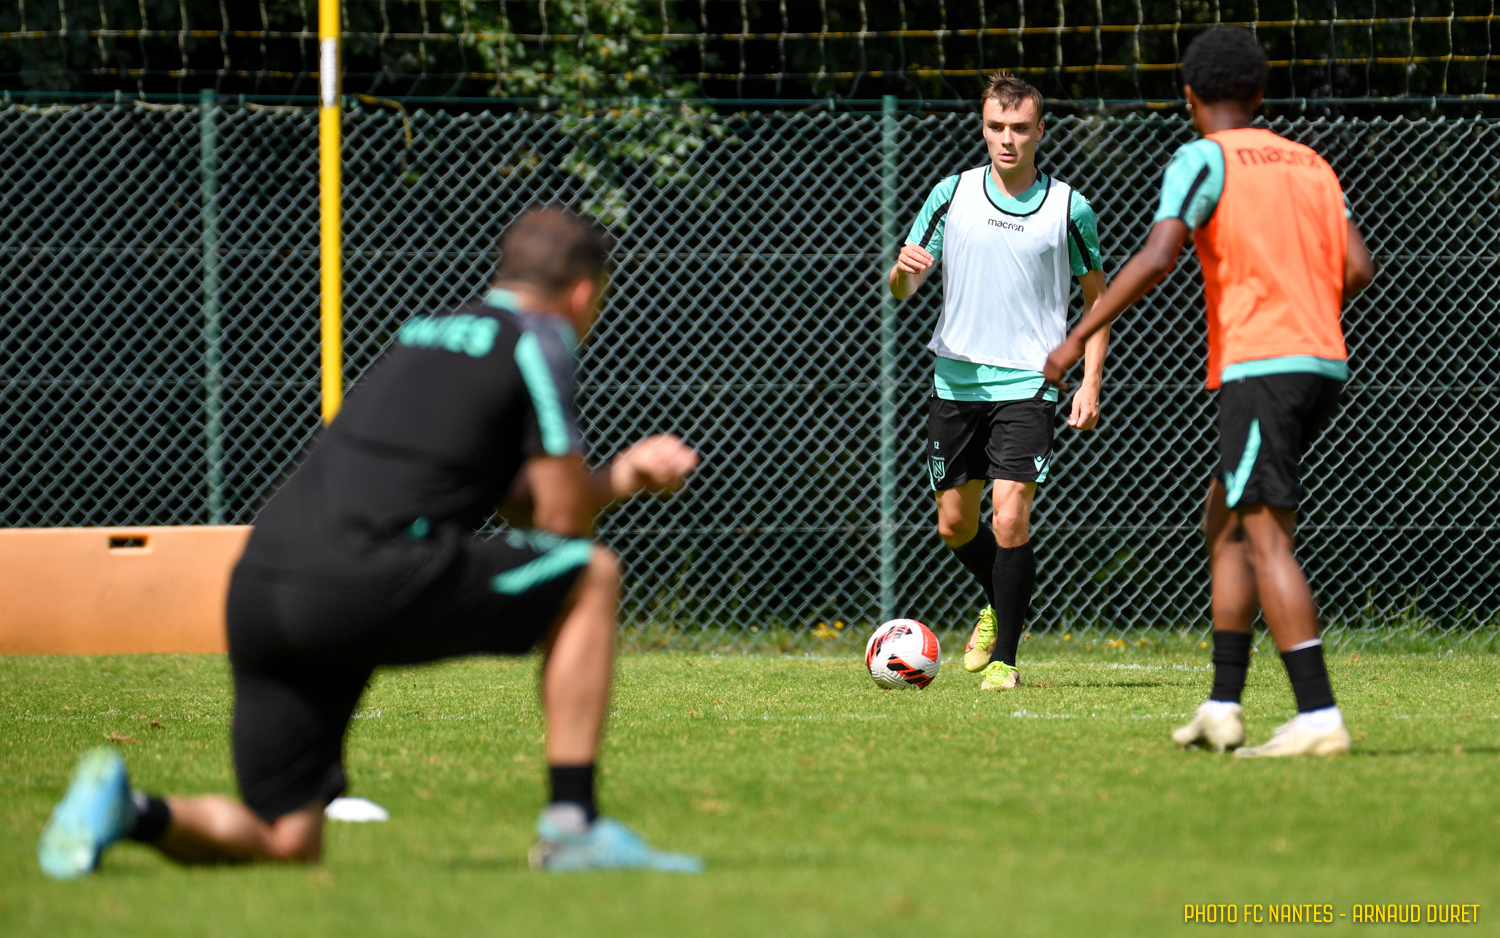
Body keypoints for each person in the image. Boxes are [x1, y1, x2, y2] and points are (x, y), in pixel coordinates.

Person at [38, 205, 706, 877]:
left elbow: (505, 495)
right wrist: (620, 481)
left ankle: (130, 810)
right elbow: (558, 527)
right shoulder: (541, 338)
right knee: (590, 572)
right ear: (585, 293)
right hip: (364, 577)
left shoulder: (425, 333)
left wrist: (619, 476)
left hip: (264, 583)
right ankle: (573, 826)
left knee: (287, 840)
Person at [1043, 27, 1375, 756]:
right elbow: (1355, 266)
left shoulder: (1202, 156)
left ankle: (1318, 715)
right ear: (1259, 94)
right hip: (1323, 363)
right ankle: (1223, 705)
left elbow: (1160, 256)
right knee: (1225, 517)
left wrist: (1075, 336)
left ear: (1189, 96)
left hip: (1263, 364)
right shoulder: (1310, 162)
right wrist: (1302, 305)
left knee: (1263, 534)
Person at [888, 73, 1111, 691]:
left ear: (1040, 132)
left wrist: (1089, 383)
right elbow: (903, 287)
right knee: (954, 525)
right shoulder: (950, 195)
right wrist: (902, 274)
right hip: (956, 384)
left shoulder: (1069, 208)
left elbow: (1099, 304)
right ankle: (998, 597)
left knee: (1011, 519)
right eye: (995, 127)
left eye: (1019, 128)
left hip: (1030, 384)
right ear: (982, 129)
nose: (1007, 140)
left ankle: (1007, 661)